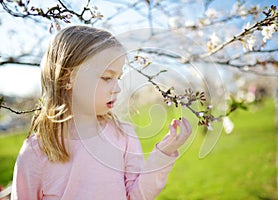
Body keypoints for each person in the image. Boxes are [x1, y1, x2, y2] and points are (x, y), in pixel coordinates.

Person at [11, 25, 192, 200]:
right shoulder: (37, 150)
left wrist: (164, 153)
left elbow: (137, 196)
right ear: (68, 78)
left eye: (118, 77)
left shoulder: (123, 135)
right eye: (107, 77)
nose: (117, 88)